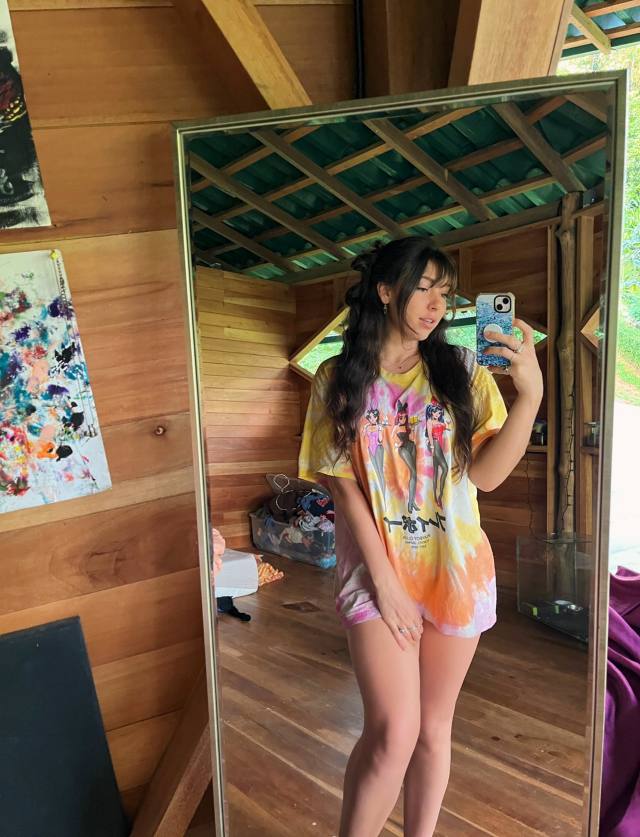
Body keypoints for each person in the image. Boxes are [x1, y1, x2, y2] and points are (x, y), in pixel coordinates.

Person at [298, 236, 543, 837]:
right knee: (393, 731)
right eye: (424, 288)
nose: (437, 304)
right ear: (386, 291)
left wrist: (530, 396)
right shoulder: (337, 378)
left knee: (433, 730)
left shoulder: (463, 371)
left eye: (445, 292)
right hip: (377, 574)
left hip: (455, 570)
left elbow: (486, 477)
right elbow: (342, 488)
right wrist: (385, 583)